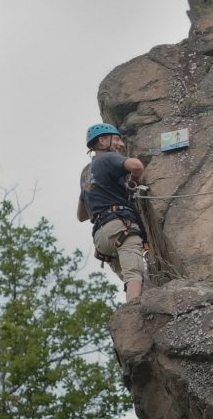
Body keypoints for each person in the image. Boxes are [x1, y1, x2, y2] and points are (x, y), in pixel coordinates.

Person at [77, 123, 147, 301]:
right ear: (102, 140)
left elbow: (81, 215)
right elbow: (137, 165)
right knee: (134, 276)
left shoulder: (86, 173)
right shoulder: (108, 158)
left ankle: (139, 312)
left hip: (101, 237)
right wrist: (134, 180)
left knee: (135, 281)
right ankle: (133, 317)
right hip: (120, 226)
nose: (121, 144)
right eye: (116, 139)